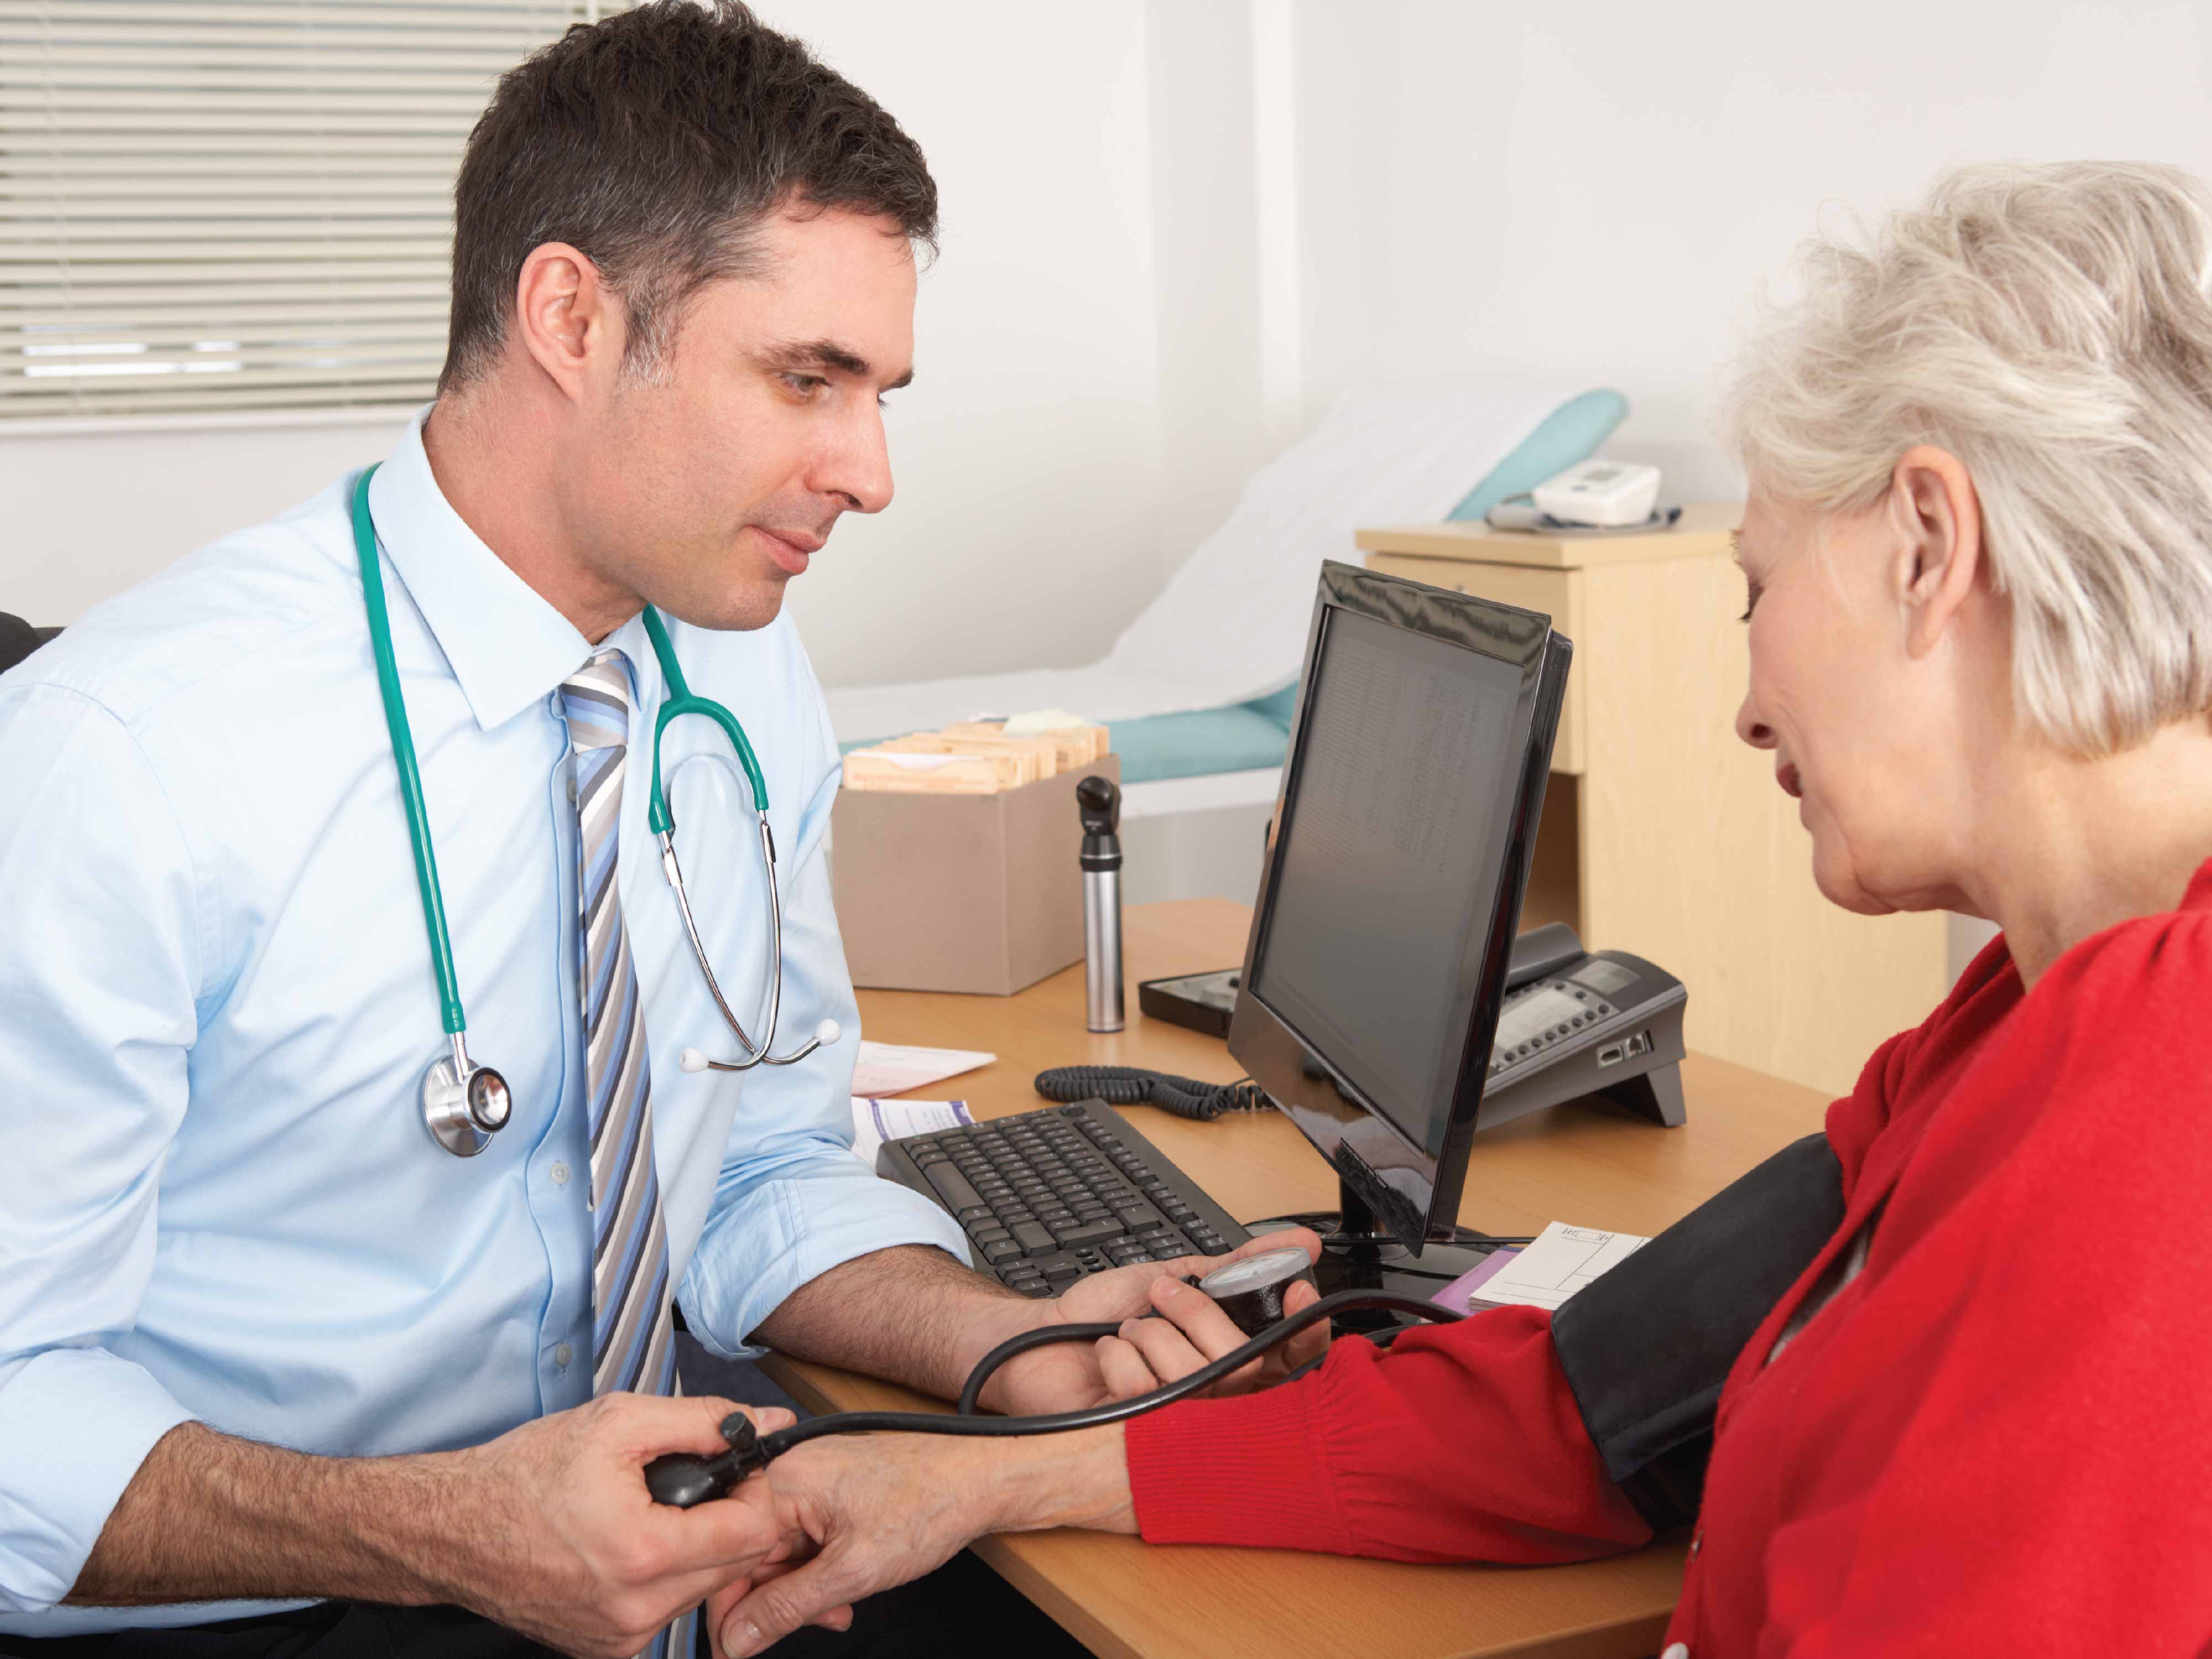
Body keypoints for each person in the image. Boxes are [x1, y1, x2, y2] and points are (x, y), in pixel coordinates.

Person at [696, 159, 2212, 1658]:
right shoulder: (2010, 1026)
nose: (1752, 708)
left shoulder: (2148, 1118)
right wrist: (1000, 1480)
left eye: (1755, 592)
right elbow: (1596, 1405)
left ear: (1932, 551)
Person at [0, 6, 1317, 1655]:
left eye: (880, 391)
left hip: (663, 1529)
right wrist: (445, 1530)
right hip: (268, 1589)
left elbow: (758, 1160)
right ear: (569, 314)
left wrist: (1008, 1342)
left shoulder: (737, 682)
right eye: (807, 378)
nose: (873, 470)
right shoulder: (126, 756)